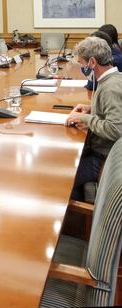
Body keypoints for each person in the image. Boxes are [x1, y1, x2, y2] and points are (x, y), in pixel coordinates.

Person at [66, 37, 122, 201]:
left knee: (65, 178)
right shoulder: (113, 78)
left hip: (103, 155)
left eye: (82, 63)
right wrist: (92, 109)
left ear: (92, 62)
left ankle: (79, 220)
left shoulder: (110, 88)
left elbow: (116, 129)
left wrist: (86, 118)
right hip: (101, 150)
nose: (82, 67)